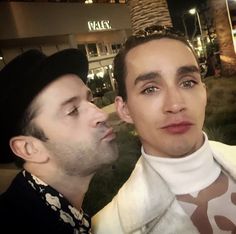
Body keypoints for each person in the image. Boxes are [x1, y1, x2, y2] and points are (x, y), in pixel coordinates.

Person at [92, 25, 236, 233]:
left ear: (204, 93)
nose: (175, 104)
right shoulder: (110, 227)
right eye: (150, 89)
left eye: (187, 82)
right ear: (125, 110)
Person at [0, 48, 118, 233]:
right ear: (29, 148)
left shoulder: (62, 215)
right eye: (72, 111)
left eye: (91, 100)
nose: (101, 115)